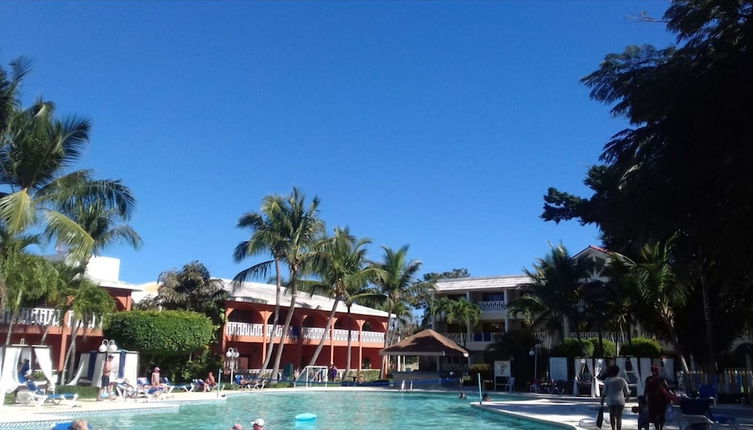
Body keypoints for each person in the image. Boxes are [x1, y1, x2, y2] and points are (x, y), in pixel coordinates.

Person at [601, 365, 630, 430]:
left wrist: (602, 399)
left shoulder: (608, 380)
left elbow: (604, 391)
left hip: (611, 400)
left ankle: (613, 428)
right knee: (619, 417)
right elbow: (627, 391)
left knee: (612, 416)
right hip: (620, 400)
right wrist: (627, 398)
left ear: (611, 372)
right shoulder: (622, 380)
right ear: (618, 371)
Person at [644, 365, 672, 430]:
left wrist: (644, 399)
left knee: (655, 415)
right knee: (661, 415)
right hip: (661, 400)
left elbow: (646, 390)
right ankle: (661, 428)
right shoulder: (662, 379)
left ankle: (657, 428)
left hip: (652, 400)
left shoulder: (648, 379)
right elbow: (667, 389)